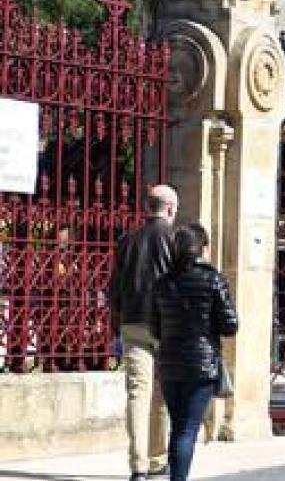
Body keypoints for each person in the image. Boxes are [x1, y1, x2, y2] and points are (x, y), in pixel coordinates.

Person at [153, 223, 238, 481]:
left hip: (169, 362)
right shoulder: (213, 279)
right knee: (187, 429)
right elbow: (230, 325)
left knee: (178, 426)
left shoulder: (163, 282)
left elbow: (155, 325)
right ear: (203, 248)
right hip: (201, 364)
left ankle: (175, 475)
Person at [108, 185, 177, 481]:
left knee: (137, 393)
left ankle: (138, 466)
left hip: (133, 322)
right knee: (161, 393)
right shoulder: (176, 238)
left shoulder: (127, 240)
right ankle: (158, 459)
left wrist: (116, 326)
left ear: (147, 208)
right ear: (170, 209)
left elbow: (114, 288)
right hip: (166, 326)